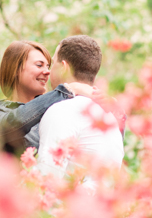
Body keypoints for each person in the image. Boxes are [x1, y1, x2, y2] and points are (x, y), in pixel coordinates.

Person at [35, 35, 124, 177]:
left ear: (64, 67)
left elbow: (47, 178)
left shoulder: (61, 111)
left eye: (53, 64)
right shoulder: (110, 117)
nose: (48, 72)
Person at [0, 41, 92, 154]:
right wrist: (67, 90)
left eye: (48, 67)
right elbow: (12, 123)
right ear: (16, 69)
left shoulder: (57, 108)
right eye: (39, 65)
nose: (47, 72)